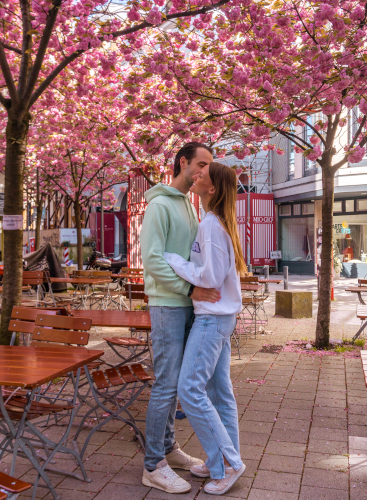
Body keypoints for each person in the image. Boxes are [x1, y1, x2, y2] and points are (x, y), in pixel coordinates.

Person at [140, 142, 221, 494]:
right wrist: (190, 291)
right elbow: (153, 260)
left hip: (185, 305)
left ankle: (168, 449)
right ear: (183, 162)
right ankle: (152, 465)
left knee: (176, 385)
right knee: (166, 385)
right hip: (167, 305)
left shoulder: (189, 206)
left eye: (209, 166)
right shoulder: (159, 205)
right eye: (201, 164)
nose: (205, 171)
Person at [164, 162, 247, 495]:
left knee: (190, 390)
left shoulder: (212, 225)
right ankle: (223, 462)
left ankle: (228, 463)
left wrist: (173, 260)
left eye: (202, 174)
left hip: (212, 319)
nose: (195, 175)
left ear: (212, 189)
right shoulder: (217, 222)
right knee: (218, 394)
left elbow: (210, 279)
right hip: (222, 318)